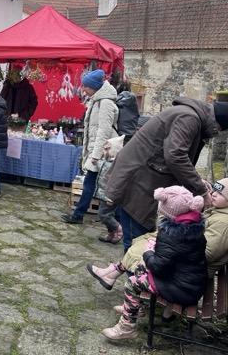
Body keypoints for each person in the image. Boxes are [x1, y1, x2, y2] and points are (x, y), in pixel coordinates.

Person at [105, 97, 228, 251]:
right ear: (216, 124)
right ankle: (131, 265)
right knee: (136, 242)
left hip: (144, 178)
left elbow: (177, 156)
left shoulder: (190, 116)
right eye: (218, 130)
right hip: (139, 181)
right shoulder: (189, 118)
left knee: (140, 239)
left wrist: (197, 180)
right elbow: (176, 156)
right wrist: (201, 191)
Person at [94, 186, 207, 341]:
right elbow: (175, 257)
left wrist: (148, 252)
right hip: (190, 282)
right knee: (141, 268)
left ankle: (126, 327)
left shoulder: (173, 234)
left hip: (182, 289)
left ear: (168, 211)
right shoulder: (192, 227)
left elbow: (158, 266)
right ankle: (135, 308)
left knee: (132, 283)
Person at [87, 177, 228, 292]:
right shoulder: (217, 212)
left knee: (144, 249)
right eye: (214, 190)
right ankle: (111, 274)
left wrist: (172, 245)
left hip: (189, 271)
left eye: (221, 193)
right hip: (187, 262)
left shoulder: (224, 222)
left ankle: (119, 281)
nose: (214, 194)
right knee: (145, 243)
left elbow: (208, 253)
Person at [62, 69, 118, 224]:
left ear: (94, 86)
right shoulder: (97, 100)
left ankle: (89, 216)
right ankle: (79, 215)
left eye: (86, 86)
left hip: (102, 152)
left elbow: (103, 131)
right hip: (97, 149)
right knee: (91, 183)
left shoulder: (105, 103)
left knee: (97, 184)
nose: (84, 89)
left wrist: (95, 154)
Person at [93, 135, 125, 243]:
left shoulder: (116, 165)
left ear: (114, 151)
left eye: (107, 149)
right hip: (104, 194)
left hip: (110, 196)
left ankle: (118, 229)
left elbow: (117, 183)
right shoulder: (107, 161)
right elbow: (102, 169)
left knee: (103, 215)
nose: (104, 151)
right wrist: (96, 162)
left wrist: (112, 197)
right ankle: (111, 234)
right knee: (106, 214)